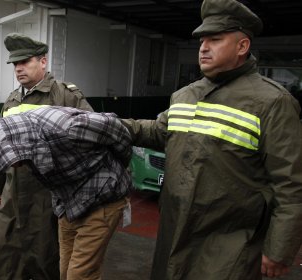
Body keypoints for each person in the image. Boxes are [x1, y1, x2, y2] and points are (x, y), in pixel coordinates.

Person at [121, 0, 302, 279]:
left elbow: (291, 184)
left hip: (229, 244)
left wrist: (279, 249)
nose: (204, 47)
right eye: (202, 40)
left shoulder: (272, 102)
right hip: (175, 233)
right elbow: (158, 132)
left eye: (215, 39)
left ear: (242, 46)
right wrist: (104, 124)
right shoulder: (185, 95)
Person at [0, 106, 132, 280]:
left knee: (80, 274)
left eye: (10, 159)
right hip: (68, 204)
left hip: (103, 198)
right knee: (64, 270)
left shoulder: (68, 128)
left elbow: (116, 130)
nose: (13, 166)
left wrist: (118, 167)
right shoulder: (22, 137)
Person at [0, 33, 93, 280]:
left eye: (25, 61)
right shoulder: (12, 100)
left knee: (47, 260)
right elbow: (1, 144)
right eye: (15, 64)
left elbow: (93, 138)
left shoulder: (66, 96)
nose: (19, 68)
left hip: (49, 198)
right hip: (12, 197)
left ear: (43, 62)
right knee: (7, 260)